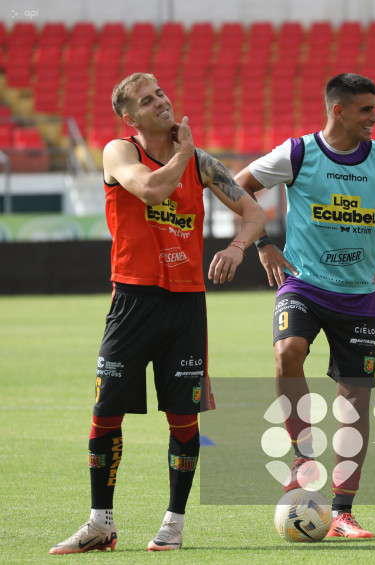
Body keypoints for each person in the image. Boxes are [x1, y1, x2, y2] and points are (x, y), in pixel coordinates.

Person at [49, 73, 267, 554]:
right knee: (106, 413)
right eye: (147, 101)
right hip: (132, 300)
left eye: (162, 93)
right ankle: (99, 524)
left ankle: (173, 525)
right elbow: (150, 190)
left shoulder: (203, 163)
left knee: (182, 417)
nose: (161, 102)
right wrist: (185, 155)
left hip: (186, 304)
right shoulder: (119, 152)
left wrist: (236, 246)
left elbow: (256, 213)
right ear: (130, 117)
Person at [234, 73, 375, 539]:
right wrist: (261, 245)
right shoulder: (298, 153)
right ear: (338, 111)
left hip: (358, 295)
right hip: (302, 284)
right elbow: (237, 184)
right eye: (365, 111)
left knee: (354, 403)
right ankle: (302, 455)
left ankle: (341, 511)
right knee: (287, 351)